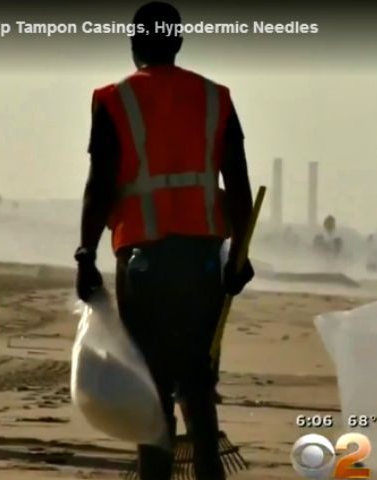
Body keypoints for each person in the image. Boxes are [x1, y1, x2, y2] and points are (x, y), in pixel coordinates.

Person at [74, 2, 254, 479]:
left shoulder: (115, 99)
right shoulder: (215, 97)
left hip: (143, 259)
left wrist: (86, 252)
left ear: (135, 44)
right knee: (197, 373)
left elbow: (101, 184)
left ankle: (154, 471)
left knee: (150, 379)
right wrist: (239, 256)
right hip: (202, 259)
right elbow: (237, 181)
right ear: (177, 42)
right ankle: (208, 469)